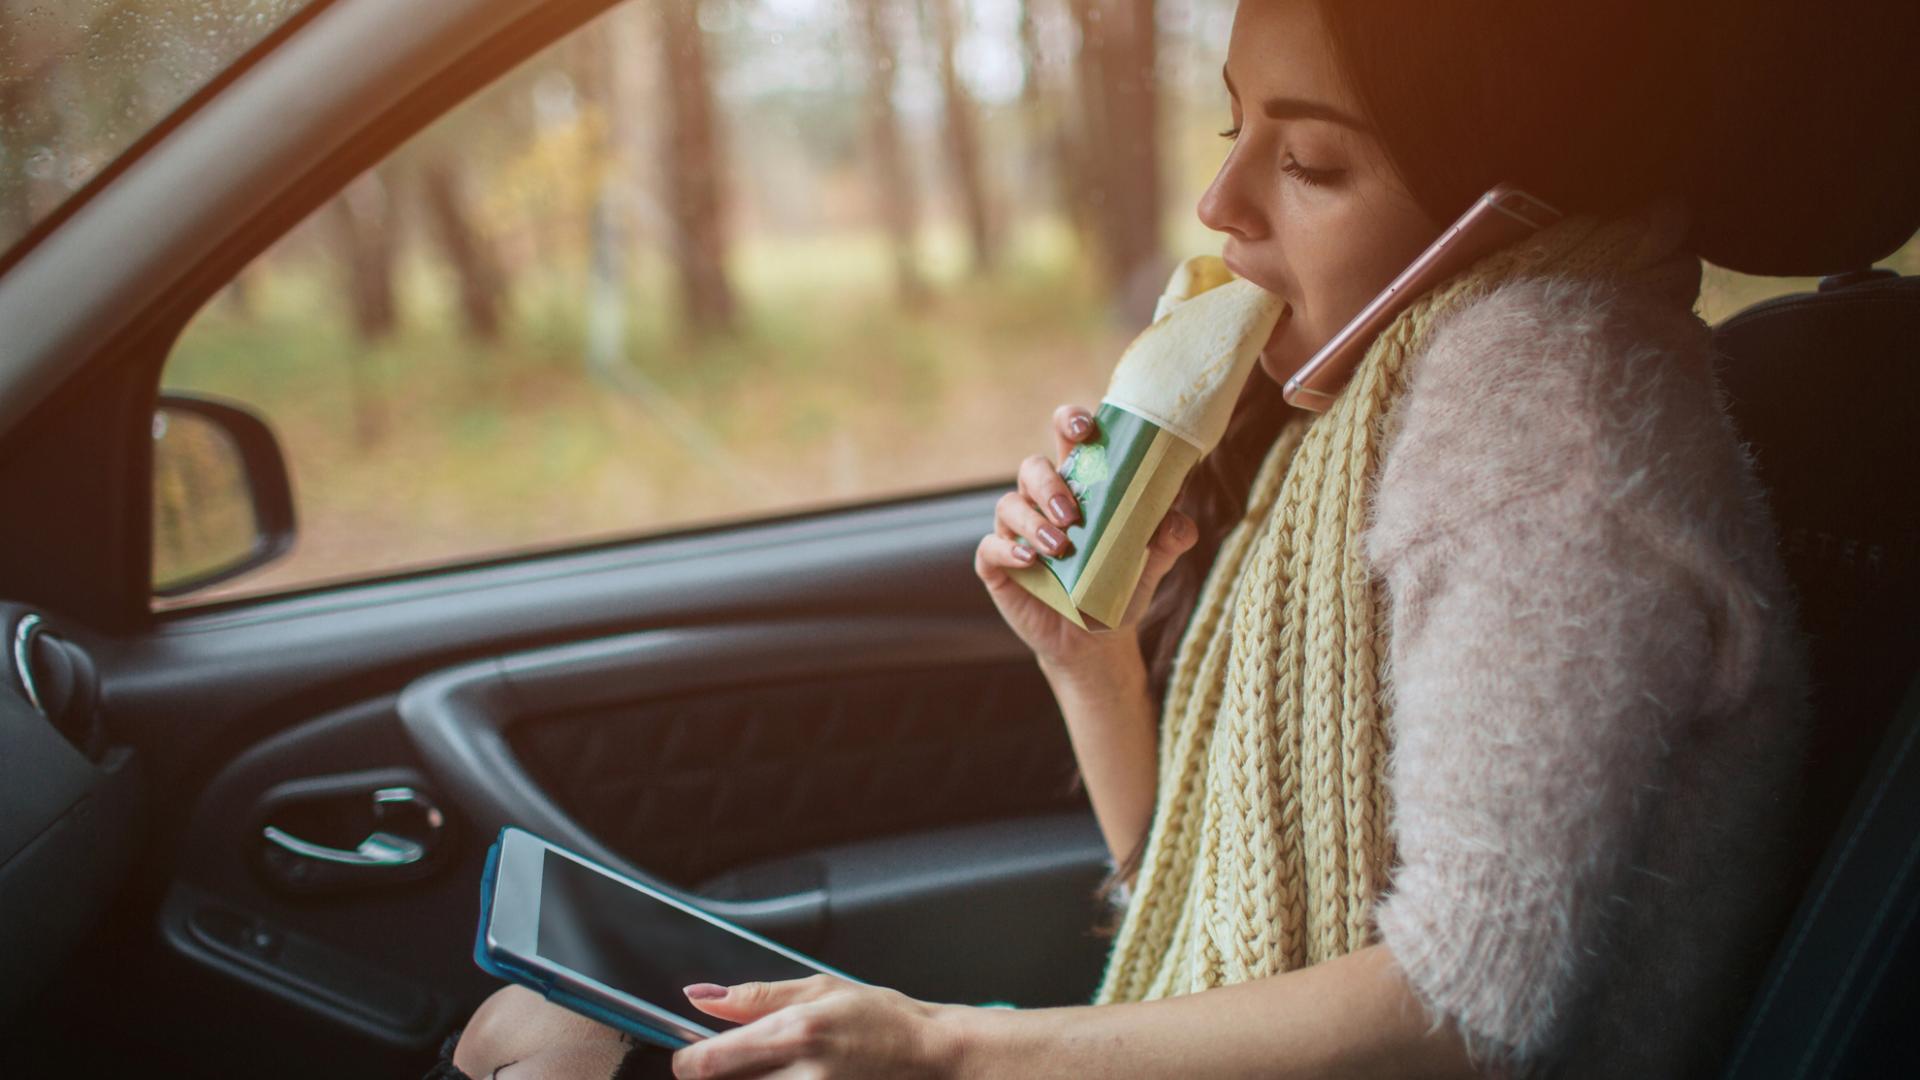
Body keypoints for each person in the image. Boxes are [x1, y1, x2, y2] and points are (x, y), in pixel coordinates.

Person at [440, 0, 1812, 1076]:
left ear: (1501, 193)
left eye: (1311, 159)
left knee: (543, 1044)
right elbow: (1229, 919)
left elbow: (1465, 1009)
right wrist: (1087, 662)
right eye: (1235, 127)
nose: (1220, 207)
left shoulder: (1552, 415)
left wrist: (949, 1049)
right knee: (538, 1036)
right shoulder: (1385, 401)